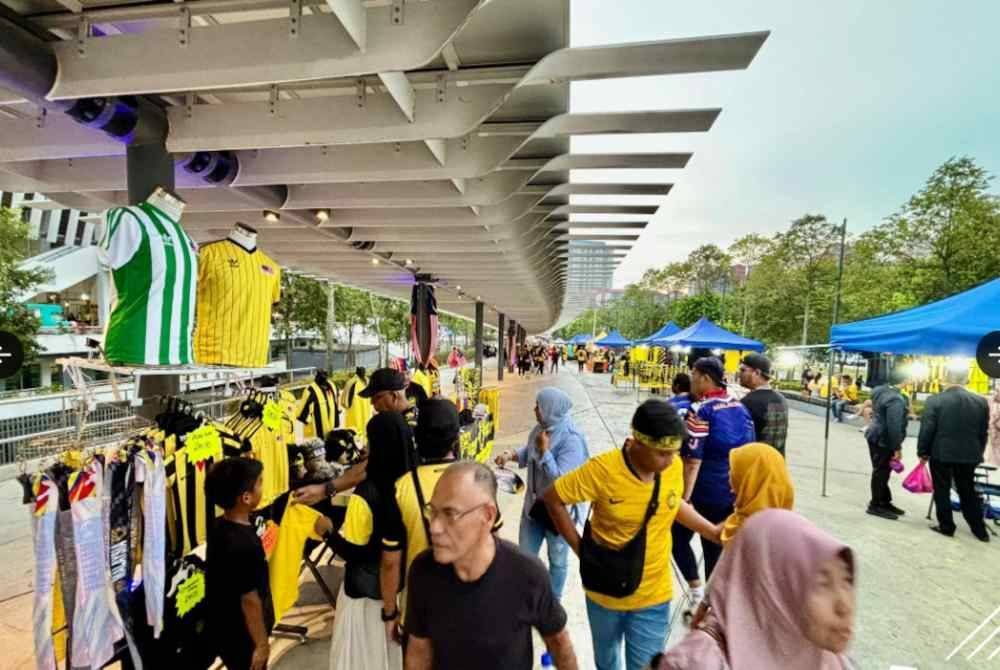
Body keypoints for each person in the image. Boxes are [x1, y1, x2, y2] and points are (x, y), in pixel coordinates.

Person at [543, 399, 723, 670]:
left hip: (653, 593)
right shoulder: (603, 470)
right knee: (607, 661)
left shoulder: (673, 467)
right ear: (638, 441)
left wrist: (712, 531)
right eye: (662, 453)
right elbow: (553, 498)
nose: (670, 461)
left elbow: (672, 503)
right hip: (604, 592)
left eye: (674, 453)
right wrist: (580, 549)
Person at [404, 462, 578, 669]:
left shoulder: (526, 573)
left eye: (450, 514)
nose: (434, 527)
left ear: (487, 516)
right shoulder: (422, 572)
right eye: (432, 511)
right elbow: (419, 651)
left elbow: (559, 642)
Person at [653, 509, 856, 670]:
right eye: (822, 584)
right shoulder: (698, 663)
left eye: (847, 581)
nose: (844, 605)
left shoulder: (830, 660)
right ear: (774, 591)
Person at [379, 399, 502, 643]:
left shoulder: (402, 488)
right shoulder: (477, 480)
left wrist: (390, 612)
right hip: (471, 606)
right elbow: (495, 545)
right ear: (456, 439)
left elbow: (391, 562)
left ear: (418, 438)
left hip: (420, 612)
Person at [206, 459, 332, 670]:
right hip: (245, 634)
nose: (263, 488)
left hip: (224, 625)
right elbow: (250, 601)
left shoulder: (219, 526)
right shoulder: (245, 544)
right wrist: (262, 644)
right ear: (246, 497)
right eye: (260, 483)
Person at [672, 357, 755, 618]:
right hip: (730, 491)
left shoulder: (701, 410)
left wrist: (685, 498)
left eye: (694, 375)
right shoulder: (740, 407)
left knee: (676, 538)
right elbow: (750, 451)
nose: (691, 380)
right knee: (715, 549)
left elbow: (692, 461)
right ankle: (714, 607)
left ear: (705, 378)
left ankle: (698, 592)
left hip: (702, 490)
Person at [494, 388, 589, 599]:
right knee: (525, 557)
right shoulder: (541, 429)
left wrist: (546, 452)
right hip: (534, 509)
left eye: (539, 406)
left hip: (558, 516)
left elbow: (562, 482)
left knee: (557, 561)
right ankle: (525, 597)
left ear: (550, 409)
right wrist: (511, 455)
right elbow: (530, 450)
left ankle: (553, 602)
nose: (535, 409)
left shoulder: (571, 440)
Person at [291, 368, 412, 509]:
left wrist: (323, 490)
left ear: (394, 396)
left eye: (376, 397)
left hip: (397, 506)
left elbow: (364, 470)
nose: (372, 403)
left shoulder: (388, 423)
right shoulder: (416, 418)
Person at [917, 367, 990, 542]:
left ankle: (947, 526)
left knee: (942, 490)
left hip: (942, 452)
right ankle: (980, 530)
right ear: (966, 381)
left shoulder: (935, 400)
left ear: (945, 379)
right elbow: (983, 432)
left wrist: (923, 451)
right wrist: (978, 452)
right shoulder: (980, 401)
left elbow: (927, 428)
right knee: (967, 490)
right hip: (969, 454)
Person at [720, 442, 795, 546]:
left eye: (734, 472)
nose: (729, 474)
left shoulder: (749, 534)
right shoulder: (786, 523)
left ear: (750, 483)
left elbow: (719, 536)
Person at [865, 369, 909, 520]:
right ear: (905, 380)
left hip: (873, 434)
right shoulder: (896, 399)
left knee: (882, 471)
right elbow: (893, 425)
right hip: (884, 439)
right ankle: (875, 505)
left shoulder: (879, 390)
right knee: (881, 472)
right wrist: (897, 448)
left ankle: (884, 501)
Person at [738, 353, 789, 456]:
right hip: (777, 461)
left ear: (757, 373)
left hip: (756, 462)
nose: (739, 374)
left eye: (743, 370)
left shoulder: (748, 402)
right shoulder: (781, 398)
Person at [989, 386, 1000, 466]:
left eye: (997, 391)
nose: (995, 393)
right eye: (995, 391)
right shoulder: (991, 402)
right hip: (992, 435)